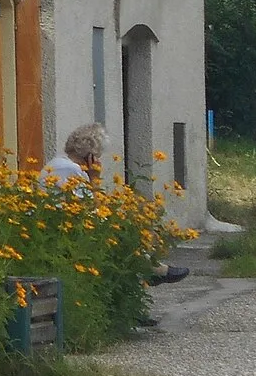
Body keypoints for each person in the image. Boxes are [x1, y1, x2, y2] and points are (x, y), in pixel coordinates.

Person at [46, 122, 188, 286]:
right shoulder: (70, 169)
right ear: (90, 156)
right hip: (61, 229)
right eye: (98, 156)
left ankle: (151, 268)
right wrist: (95, 178)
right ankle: (153, 269)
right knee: (115, 230)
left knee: (114, 227)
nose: (99, 161)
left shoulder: (59, 163)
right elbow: (92, 208)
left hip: (64, 223)